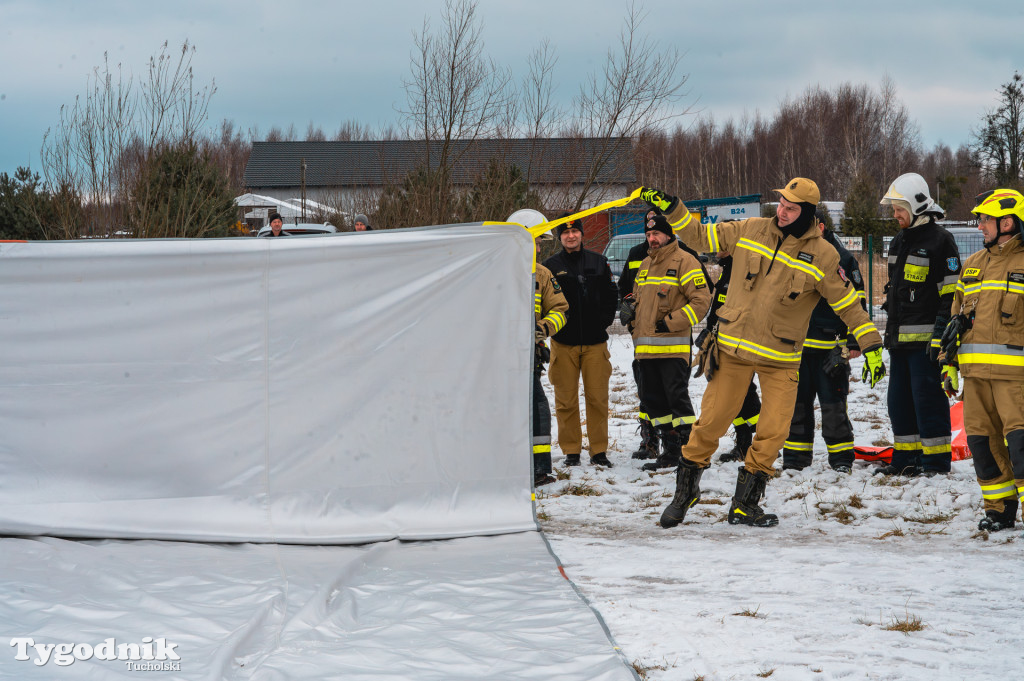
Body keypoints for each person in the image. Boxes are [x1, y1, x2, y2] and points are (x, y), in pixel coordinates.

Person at [638, 178, 885, 529]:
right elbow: (698, 236)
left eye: (791, 208)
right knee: (710, 424)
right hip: (733, 349)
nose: (782, 212)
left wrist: (872, 344)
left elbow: (847, 304)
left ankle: (745, 504)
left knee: (773, 432)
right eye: (781, 203)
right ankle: (684, 494)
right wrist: (672, 206)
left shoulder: (825, 255)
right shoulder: (750, 229)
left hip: (781, 359)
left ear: (808, 213)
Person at [940, 188, 1024, 532]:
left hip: (1015, 381)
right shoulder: (973, 266)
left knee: (1020, 446)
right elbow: (954, 320)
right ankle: (999, 508)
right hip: (975, 379)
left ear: (1008, 222)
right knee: (981, 443)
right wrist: (948, 363)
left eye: (985, 220)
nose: (979, 227)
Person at [877, 173, 960, 477]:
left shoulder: (942, 241)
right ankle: (905, 460)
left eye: (900, 209)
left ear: (916, 206)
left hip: (927, 345)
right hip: (899, 342)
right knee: (899, 403)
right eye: (894, 209)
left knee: (928, 403)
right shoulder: (900, 240)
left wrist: (939, 339)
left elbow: (951, 296)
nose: (895, 215)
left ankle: (935, 464)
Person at [620, 213, 711, 472]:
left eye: (657, 234)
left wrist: (671, 323)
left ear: (669, 235)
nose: (652, 239)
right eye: (649, 235)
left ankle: (688, 449)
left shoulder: (686, 261)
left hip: (672, 349)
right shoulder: (646, 265)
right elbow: (638, 300)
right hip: (645, 351)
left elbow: (701, 301)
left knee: (676, 400)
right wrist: (630, 315)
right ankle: (669, 449)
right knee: (652, 400)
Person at [781, 209, 867, 474]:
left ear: (819, 227)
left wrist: (852, 343)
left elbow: (858, 303)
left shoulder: (842, 258)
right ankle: (795, 460)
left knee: (833, 406)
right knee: (796, 407)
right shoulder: (791, 254)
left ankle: (841, 460)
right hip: (797, 347)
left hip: (832, 348)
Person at [543, 216, 619, 467]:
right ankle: (571, 450)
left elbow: (611, 295)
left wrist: (603, 321)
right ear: (560, 237)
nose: (571, 236)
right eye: (565, 233)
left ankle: (598, 451)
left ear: (582, 235)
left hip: (595, 343)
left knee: (597, 398)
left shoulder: (599, 262)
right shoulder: (550, 266)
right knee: (565, 400)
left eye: (575, 231)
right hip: (563, 343)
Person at [696, 249, 761, 463]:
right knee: (739, 392)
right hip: (722, 341)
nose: (716, 249)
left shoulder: (743, 269)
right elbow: (720, 306)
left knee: (742, 392)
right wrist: (709, 330)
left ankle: (760, 440)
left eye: (722, 244)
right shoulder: (728, 268)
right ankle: (745, 443)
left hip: (739, 343)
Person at [618, 214, 659, 461]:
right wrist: (630, 313)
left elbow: (701, 292)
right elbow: (625, 288)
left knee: (673, 393)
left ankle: (676, 441)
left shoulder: (684, 253)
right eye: (648, 226)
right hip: (642, 339)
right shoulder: (636, 254)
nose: (651, 232)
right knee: (645, 389)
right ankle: (649, 440)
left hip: (673, 342)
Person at [533, 231, 569, 487]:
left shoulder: (542, 274)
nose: (536, 248)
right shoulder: (492, 270)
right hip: (494, 358)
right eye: (533, 242)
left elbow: (560, 309)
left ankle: (539, 469)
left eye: (538, 243)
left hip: (527, 355)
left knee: (538, 411)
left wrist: (543, 329)